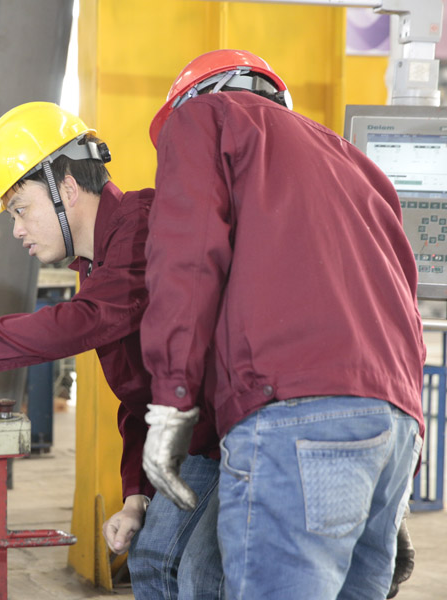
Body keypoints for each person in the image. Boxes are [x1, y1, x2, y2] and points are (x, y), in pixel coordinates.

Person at [0, 102, 220, 592]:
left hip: (234, 432)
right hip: (196, 441)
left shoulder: (145, 229)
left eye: (21, 209)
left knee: (202, 573)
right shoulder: (97, 266)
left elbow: (78, 322)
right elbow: (140, 396)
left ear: (67, 190)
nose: (16, 229)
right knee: (153, 558)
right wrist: (136, 496)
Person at [139, 48, 425, 600]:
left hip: (295, 418)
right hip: (394, 431)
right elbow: (402, 305)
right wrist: (401, 474)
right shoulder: (357, 164)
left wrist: (171, 403)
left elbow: (187, 261)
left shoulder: (203, 117)